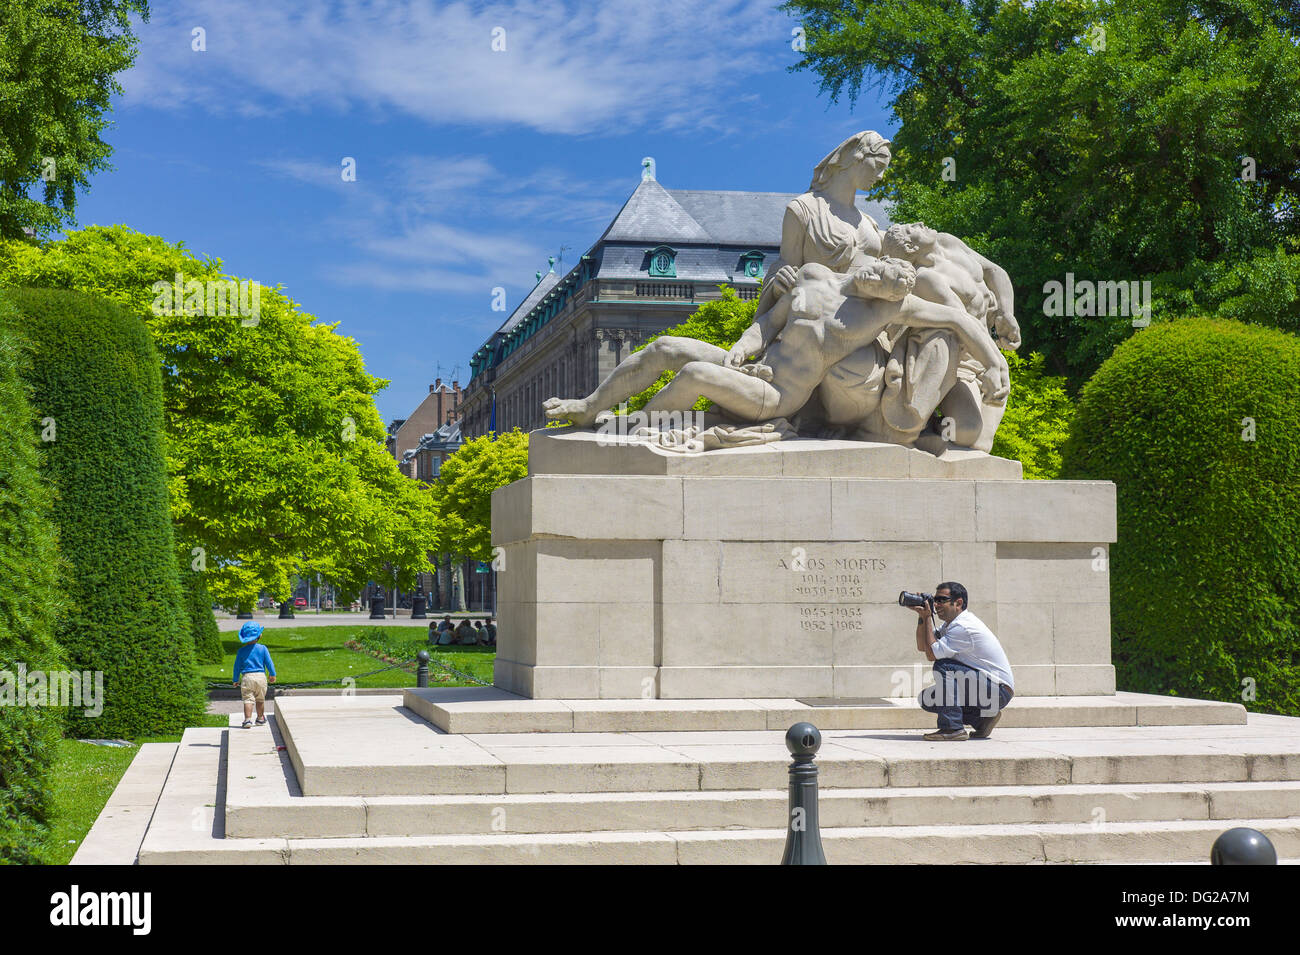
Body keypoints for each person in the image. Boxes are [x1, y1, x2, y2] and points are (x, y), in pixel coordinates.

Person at [909, 582, 1014, 741]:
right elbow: (923, 646)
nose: (936, 604)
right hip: (987, 688)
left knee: (944, 666)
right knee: (928, 698)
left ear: (958, 603)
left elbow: (932, 655)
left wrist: (927, 617)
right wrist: (922, 617)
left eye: (941, 600)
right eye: (935, 600)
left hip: (998, 691)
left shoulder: (963, 627)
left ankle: (952, 728)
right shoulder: (950, 625)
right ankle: (982, 720)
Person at [232, 621, 276, 729]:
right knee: (260, 699)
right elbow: (269, 663)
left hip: (247, 677)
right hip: (261, 676)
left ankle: (247, 720)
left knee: (248, 699)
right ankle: (260, 718)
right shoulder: (263, 648)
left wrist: (235, 679)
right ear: (260, 635)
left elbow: (237, 666)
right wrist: (272, 674)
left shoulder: (241, 651)